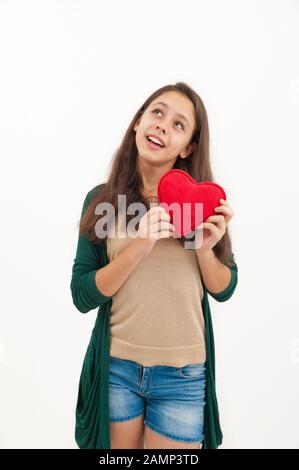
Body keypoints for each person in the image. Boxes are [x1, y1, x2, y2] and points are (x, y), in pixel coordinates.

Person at [70, 82, 238, 449]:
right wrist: (138, 246)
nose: (162, 125)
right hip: (117, 369)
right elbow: (81, 294)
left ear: (188, 147)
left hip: (183, 375)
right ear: (138, 122)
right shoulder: (102, 202)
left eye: (179, 125)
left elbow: (225, 288)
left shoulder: (204, 204)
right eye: (157, 113)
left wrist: (205, 250)